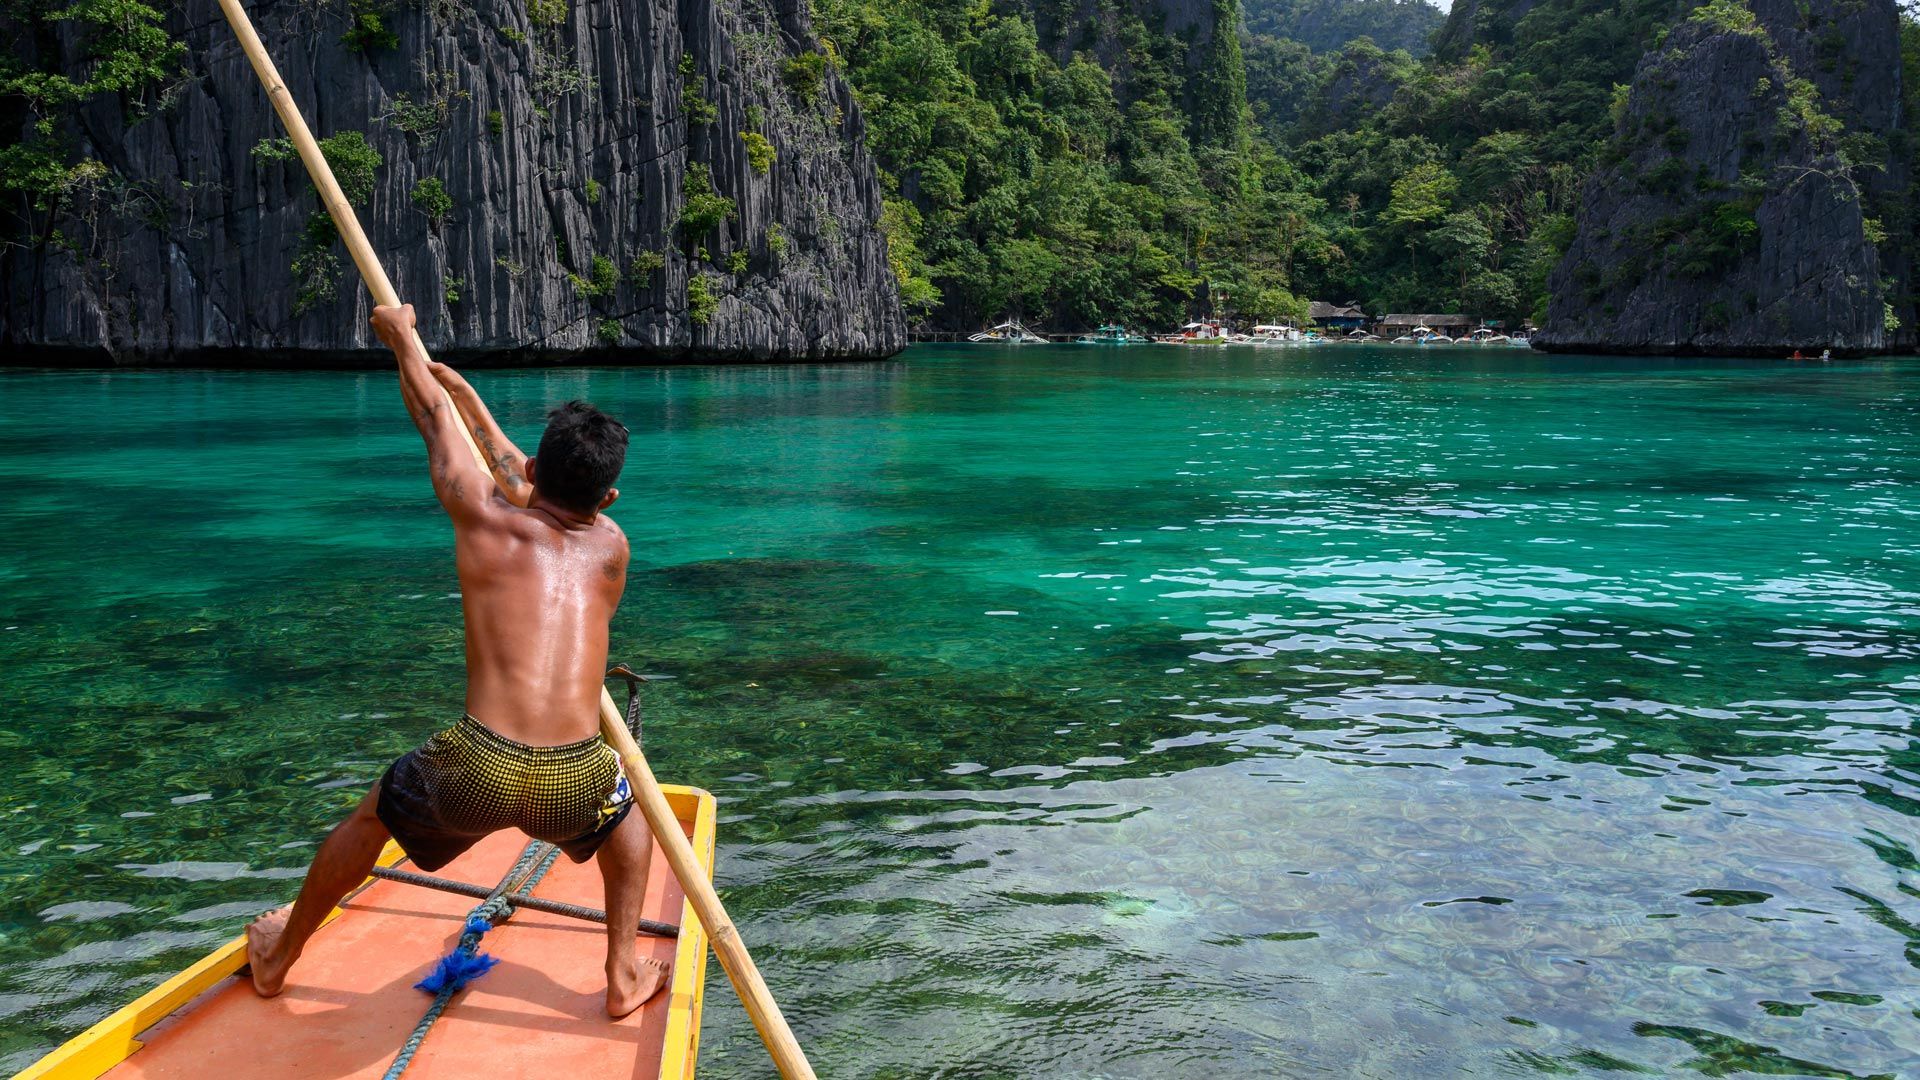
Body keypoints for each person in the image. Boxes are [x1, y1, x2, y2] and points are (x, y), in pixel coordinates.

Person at [245, 304, 666, 1018]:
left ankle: (279, 957)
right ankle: (622, 974)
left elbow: (433, 419)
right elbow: (523, 476)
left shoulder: (483, 518)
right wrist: (468, 396)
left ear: (533, 469)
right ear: (609, 496)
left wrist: (400, 340)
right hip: (576, 774)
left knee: (369, 822)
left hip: (479, 766)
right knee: (628, 822)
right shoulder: (612, 547)